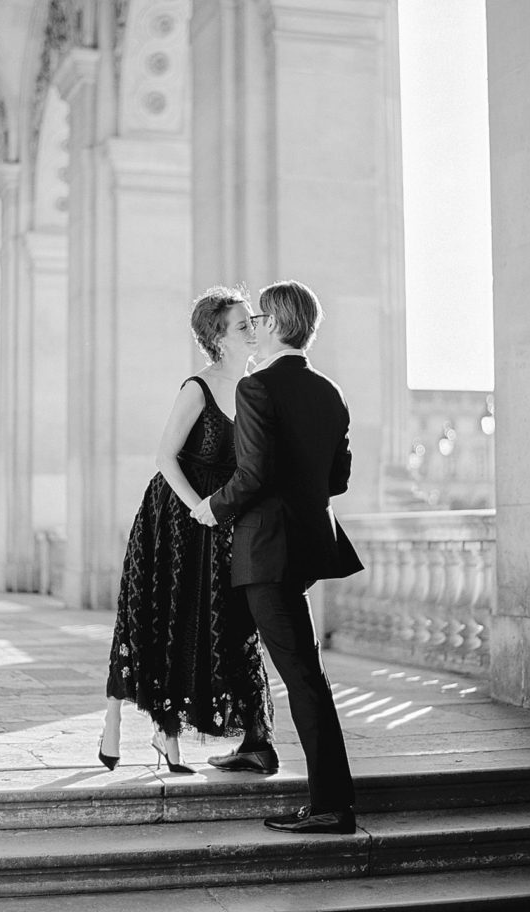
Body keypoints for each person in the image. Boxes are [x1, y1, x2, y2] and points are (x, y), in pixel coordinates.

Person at [193, 280, 364, 833]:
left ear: (278, 324)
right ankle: (254, 741)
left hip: (266, 549)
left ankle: (332, 805)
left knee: (304, 677)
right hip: (305, 544)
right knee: (239, 640)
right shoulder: (331, 391)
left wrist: (210, 508)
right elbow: (336, 477)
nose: (256, 325)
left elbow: (253, 475)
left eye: (261, 317)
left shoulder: (256, 388)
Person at [101, 286, 275, 773]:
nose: (253, 329)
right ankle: (117, 718)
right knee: (161, 618)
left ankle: (245, 736)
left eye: (252, 321)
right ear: (218, 338)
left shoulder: (256, 387)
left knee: (222, 621)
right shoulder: (198, 387)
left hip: (222, 519)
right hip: (176, 516)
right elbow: (164, 457)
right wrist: (200, 507)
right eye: (243, 324)